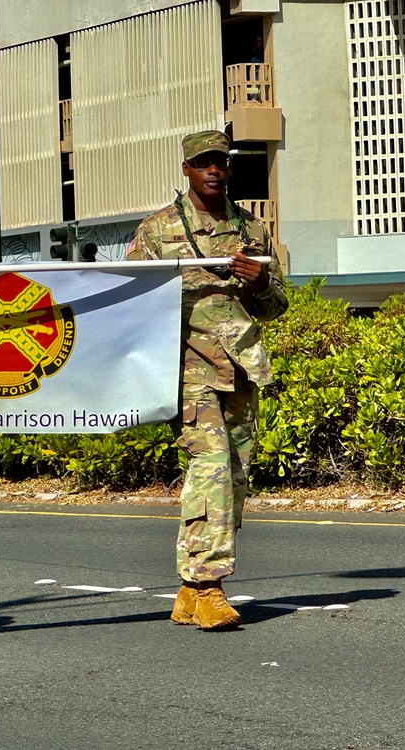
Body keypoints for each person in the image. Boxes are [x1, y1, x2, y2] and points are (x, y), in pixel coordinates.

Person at [128, 130, 288, 630]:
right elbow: (129, 301)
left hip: (241, 364)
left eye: (220, 161)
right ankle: (211, 585)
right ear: (187, 170)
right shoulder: (158, 230)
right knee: (212, 467)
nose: (213, 170)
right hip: (186, 367)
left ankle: (189, 590)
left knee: (236, 477)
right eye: (203, 163)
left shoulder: (252, 230)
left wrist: (261, 282)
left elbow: (277, 305)